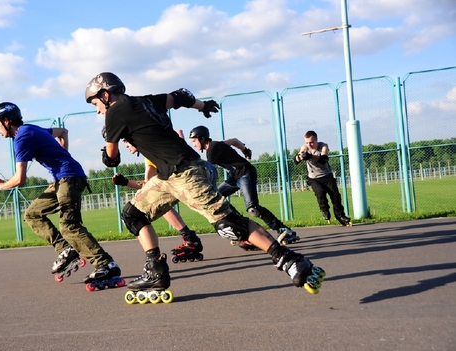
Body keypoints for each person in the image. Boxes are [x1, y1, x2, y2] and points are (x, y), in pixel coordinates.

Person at [84, 72, 326, 298]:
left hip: (185, 174)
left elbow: (112, 158)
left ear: (105, 95)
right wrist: (204, 106)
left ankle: (291, 260)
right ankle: (155, 270)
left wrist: (108, 156)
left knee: (228, 223)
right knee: (133, 214)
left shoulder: (114, 112)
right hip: (167, 177)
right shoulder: (147, 100)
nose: (97, 111)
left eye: (96, 104)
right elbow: (181, 96)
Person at [0, 102, 123, 287]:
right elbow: (63, 132)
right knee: (32, 214)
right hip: (64, 178)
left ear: (6, 121)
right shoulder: (31, 129)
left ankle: (106, 265)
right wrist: (63, 157)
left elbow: (20, 178)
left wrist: (0, 186)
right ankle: (66, 250)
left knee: (69, 225)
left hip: (69, 178)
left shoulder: (21, 138)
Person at [188, 125, 300, 247]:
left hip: (245, 173)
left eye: (194, 141)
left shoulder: (212, 150)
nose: (194, 144)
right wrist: (245, 150)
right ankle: (241, 228)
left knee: (253, 208)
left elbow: (208, 170)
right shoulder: (217, 144)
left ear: (202, 139)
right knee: (218, 198)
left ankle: (283, 230)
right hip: (236, 176)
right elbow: (234, 140)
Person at [110, 133, 206, 263]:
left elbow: (147, 188)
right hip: (197, 172)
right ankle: (190, 238)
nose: (126, 146)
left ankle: (158, 257)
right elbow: (149, 186)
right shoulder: (151, 151)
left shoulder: (150, 155)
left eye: (126, 142)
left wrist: (126, 182)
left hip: (188, 177)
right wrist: (126, 182)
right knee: (161, 203)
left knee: (144, 209)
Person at [293, 130, 351, 226]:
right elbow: (296, 159)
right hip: (314, 178)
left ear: (316, 140)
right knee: (320, 192)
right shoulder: (305, 147)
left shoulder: (323, 146)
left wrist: (310, 156)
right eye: (307, 142)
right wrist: (300, 156)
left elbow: (324, 159)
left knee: (335, 196)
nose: (309, 145)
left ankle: (340, 215)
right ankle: (324, 210)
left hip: (327, 176)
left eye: (311, 142)